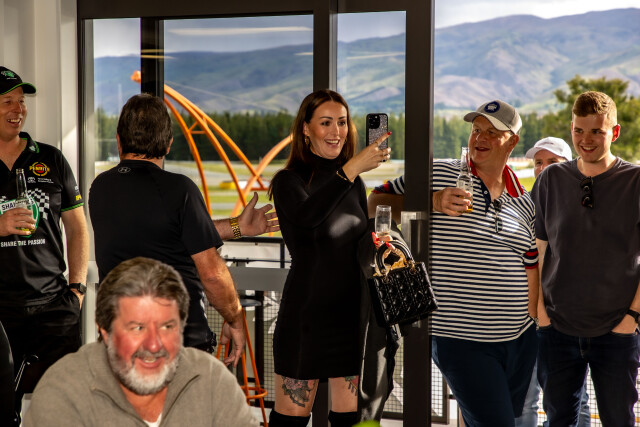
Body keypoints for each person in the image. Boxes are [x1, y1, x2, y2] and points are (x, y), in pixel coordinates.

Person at [369, 100, 539, 425]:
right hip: (460, 338)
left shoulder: (523, 198)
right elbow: (375, 201)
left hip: (519, 339)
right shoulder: (440, 172)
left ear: (513, 142)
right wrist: (432, 200)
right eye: (476, 129)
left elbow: (532, 263)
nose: (480, 137)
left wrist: (535, 322)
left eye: (492, 132)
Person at [89, 93, 278, 366]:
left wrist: (238, 227)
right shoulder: (179, 190)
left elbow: (163, 232)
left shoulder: (101, 187)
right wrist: (235, 318)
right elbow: (212, 275)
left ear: (119, 140)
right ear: (168, 144)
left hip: (121, 342)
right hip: (178, 344)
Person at [267, 89, 390, 427]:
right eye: (325, 123)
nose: (337, 131)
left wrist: (381, 243)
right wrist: (349, 170)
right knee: (291, 420)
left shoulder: (353, 183)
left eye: (342, 122)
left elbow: (354, 242)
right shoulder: (288, 181)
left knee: (351, 419)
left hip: (351, 317)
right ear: (306, 129)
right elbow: (308, 217)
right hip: (306, 318)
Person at [23, 256, 259, 426]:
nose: (154, 345)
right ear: (105, 331)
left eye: (167, 327)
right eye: (138, 328)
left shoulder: (213, 380)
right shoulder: (63, 391)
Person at [532, 91, 640, 426]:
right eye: (579, 130)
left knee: (618, 420)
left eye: (596, 131)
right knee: (558, 421)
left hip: (617, 331)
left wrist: (632, 318)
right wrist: (539, 313)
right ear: (571, 129)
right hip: (556, 329)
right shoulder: (551, 179)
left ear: (615, 132)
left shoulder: (635, 181)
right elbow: (536, 251)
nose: (586, 140)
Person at [0, 66, 89, 421]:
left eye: (21, 101)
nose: (18, 109)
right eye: (7, 101)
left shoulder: (51, 158)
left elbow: (78, 228)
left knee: (65, 412)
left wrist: (77, 290)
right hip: (1, 314)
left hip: (53, 309)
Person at [518, 137, 591, 427]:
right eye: (538, 162)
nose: (543, 168)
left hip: (565, 318)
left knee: (574, 399)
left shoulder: (583, 204)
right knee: (525, 396)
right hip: (526, 317)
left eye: (552, 162)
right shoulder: (521, 205)